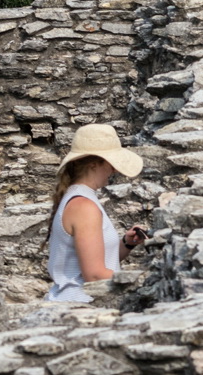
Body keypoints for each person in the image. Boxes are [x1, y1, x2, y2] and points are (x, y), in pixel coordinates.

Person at [45, 124, 147, 303]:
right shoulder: (84, 206)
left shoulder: (78, 198)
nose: (114, 170)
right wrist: (147, 280)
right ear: (93, 164)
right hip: (80, 308)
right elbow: (93, 275)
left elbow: (96, 262)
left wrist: (126, 244)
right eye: (111, 164)